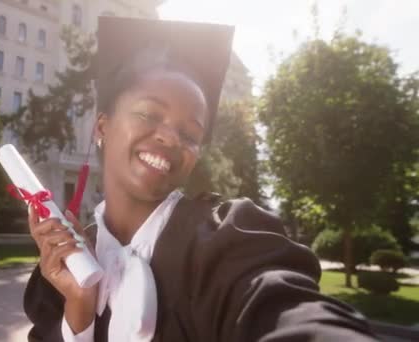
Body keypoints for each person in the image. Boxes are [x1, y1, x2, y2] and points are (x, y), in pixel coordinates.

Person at [23, 17, 379, 342]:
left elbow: (284, 309)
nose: (172, 138)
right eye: (149, 113)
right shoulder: (65, 265)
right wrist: (79, 312)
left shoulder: (226, 241)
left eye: (191, 133)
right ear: (102, 126)